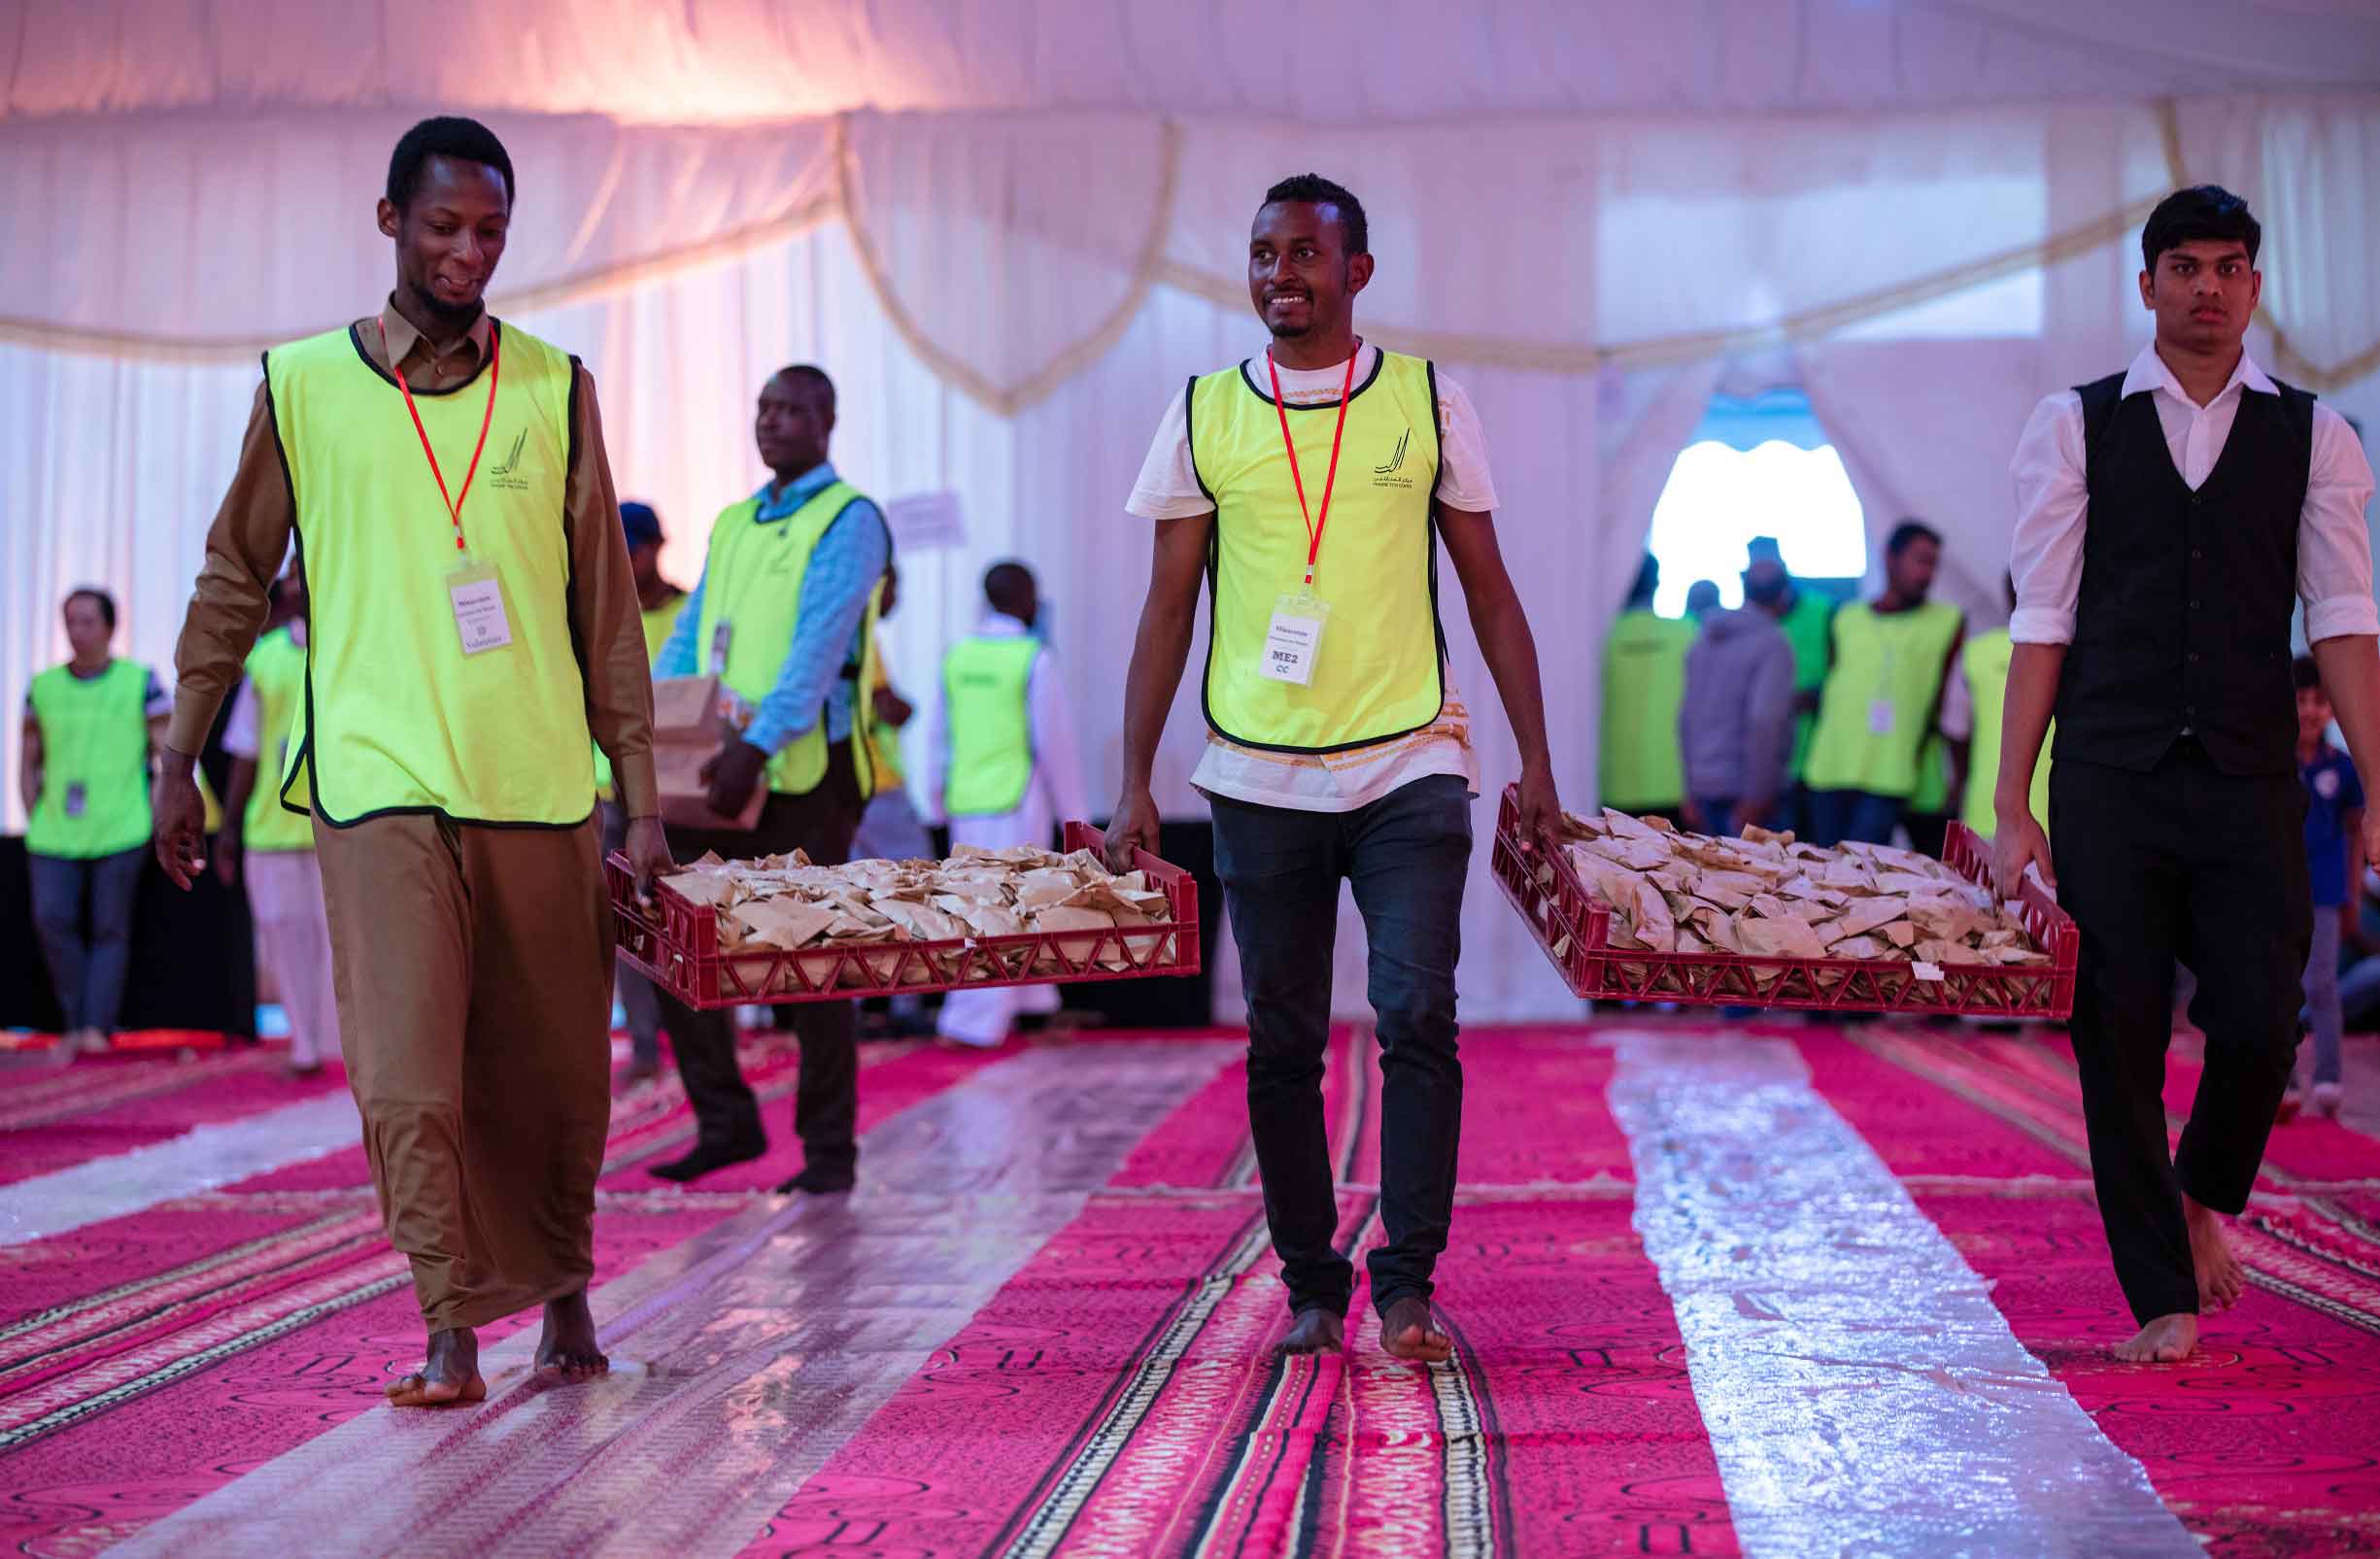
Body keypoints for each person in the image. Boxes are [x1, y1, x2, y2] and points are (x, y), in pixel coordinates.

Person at [153, 116, 671, 1407]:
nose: (467, 252)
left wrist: (642, 801)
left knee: (550, 1070)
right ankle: (450, 1321)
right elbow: (234, 575)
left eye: (490, 231)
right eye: (443, 225)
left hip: (536, 783)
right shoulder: (303, 385)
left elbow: (604, 612)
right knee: (403, 1074)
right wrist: (180, 754)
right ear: (390, 220)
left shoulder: (553, 386)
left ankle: (564, 1297)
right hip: (374, 781)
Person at [1110, 173, 1561, 1363]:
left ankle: (1405, 1284)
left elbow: (1489, 590)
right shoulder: (1202, 411)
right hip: (1255, 776)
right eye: (1263, 253)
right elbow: (1165, 608)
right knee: (1281, 1038)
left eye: (1304, 254)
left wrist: (1537, 758)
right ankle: (1311, 1282)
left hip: (1411, 759)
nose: (1280, 275)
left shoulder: (1425, 399)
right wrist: (1134, 779)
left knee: (1416, 1013)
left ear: (1356, 271)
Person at [1994, 186, 2380, 1364]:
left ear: (2253, 287)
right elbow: (2042, 618)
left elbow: (2343, 618)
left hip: (2249, 770)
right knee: (2111, 1030)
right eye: (2182, 267)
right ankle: (2159, 1291)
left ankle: (2202, 1191)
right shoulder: (2073, 424)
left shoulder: (2314, 435)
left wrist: (2376, 783)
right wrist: (2011, 801)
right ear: (2146, 284)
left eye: (2225, 268)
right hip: (2105, 770)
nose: (2204, 287)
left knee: (2262, 1017)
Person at [646, 363, 891, 1192]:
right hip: (717, 767)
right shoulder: (734, 521)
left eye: (790, 410)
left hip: (805, 775)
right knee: (677, 943)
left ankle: (828, 1152)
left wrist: (756, 744)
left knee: (814, 964)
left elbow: (818, 648)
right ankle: (726, 1123)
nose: (771, 422)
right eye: (763, 408)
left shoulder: (849, 518)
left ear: (827, 421)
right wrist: (658, 723)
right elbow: (692, 636)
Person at [927, 560, 1089, 1048]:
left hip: (966, 800)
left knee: (977, 903)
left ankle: (1030, 1005)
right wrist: (1075, 817)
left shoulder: (957, 656)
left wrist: (936, 798)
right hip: (1017, 797)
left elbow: (938, 735)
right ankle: (971, 1023)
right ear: (1028, 598)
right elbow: (1055, 744)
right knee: (1005, 906)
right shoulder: (1034, 658)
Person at [21, 587, 172, 1053]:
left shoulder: (140, 681)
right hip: (55, 830)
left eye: (88, 621)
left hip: (122, 823)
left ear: (110, 627)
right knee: (51, 918)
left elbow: (167, 753)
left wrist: (160, 813)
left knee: (111, 927)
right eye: (71, 621)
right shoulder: (43, 686)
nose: (78, 631)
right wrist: (33, 811)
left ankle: (96, 1027)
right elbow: (29, 758)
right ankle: (76, 1019)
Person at [217, 563, 339, 1077]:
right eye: (294, 574)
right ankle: (306, 1049)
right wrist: (229, 828)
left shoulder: (354, 642)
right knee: (287, 943)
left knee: (342, 946)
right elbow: (246, 748)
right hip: (272, 829)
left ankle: (343, 1051)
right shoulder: (264, 657)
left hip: (343, 825)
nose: (300, 583)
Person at [1801, 521, 1964, 847]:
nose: (1928, 574)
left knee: (1861, 871)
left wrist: (1954, 777)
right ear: (1890, 558)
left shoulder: (1948, 622)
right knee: (1821, 868)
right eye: (1921, 560)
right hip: (1828, 769)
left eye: (1933, 564)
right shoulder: (1845, 617)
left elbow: (1950, 704)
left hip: (1890, 773)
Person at [596, 500, 685, 1086]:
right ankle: (647, 1047)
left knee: (689, 919)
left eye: (634, 549)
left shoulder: (689, 614)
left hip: (681, 792)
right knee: (626, 918)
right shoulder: (604, 614)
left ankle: (702, 1040)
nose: (626, 561)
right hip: (614, 793)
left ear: (657, 547)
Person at [849, 561, 935, 1037]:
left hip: (843, 792)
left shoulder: (833, 629)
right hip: (878, 786)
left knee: (852, 901)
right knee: (913, 892)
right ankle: (908, 1005)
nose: (897, 598)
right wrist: (909, 708)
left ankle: (853, 1004)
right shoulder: (863, 634)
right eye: (894, 587)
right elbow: (887, 706)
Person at [2290, 656, 2363, 1121]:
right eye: (2301, 700)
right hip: (2279, 894)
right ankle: (2284, 1082)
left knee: (2322, 986)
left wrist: (2352, 893)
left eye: (2320, 701)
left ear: (2334, 709)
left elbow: (2356, 835)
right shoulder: (2274, 766)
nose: (2311, 710)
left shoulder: (2345, 770)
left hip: (2326, 896)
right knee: (2280, 986)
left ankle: (2328, 1079)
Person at [1940, 577, 2051, 843]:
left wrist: (1959, 782)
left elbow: (1955, 730)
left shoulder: (1974, 653)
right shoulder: (2071, 653)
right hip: (2056, 822)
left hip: (1985, 814)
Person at [1679, 590, 1795, 837]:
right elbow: (1764, 720)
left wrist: (1689, 790)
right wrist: (1757, 795)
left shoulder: (1702, 642)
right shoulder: (1772, 643)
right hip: (1747, 796)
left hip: (1703, 789)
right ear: (1783, 597)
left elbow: (1686, 719)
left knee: (1708, 863)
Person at [1745, 538, 1837, 836]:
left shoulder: (1822, 611)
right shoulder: (1748, 621)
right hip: (1768, 767)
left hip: (1817, 760)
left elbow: (1843, 672)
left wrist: (1814, 696)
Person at [1600, 556, 1694, 823]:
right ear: (1657, 583)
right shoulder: (1687, 631)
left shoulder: (1602, 636)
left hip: (1612, 784)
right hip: (1674, 785)